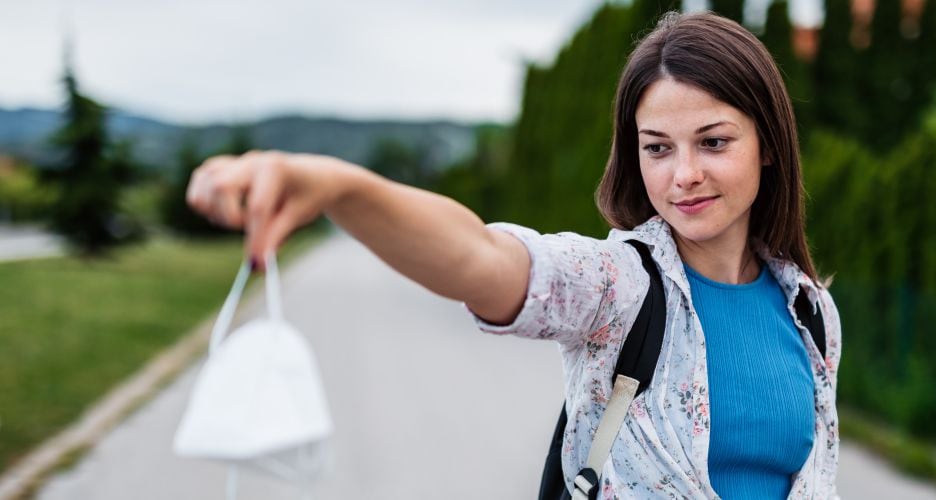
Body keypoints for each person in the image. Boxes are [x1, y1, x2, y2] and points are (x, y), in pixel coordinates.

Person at [186, 11, 841, 500]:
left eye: (713, 142)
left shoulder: (811, 313)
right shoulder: (619, 287)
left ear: (768, 145)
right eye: (658, 148)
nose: (683, 174)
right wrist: (336, 186)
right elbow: (479, 256)